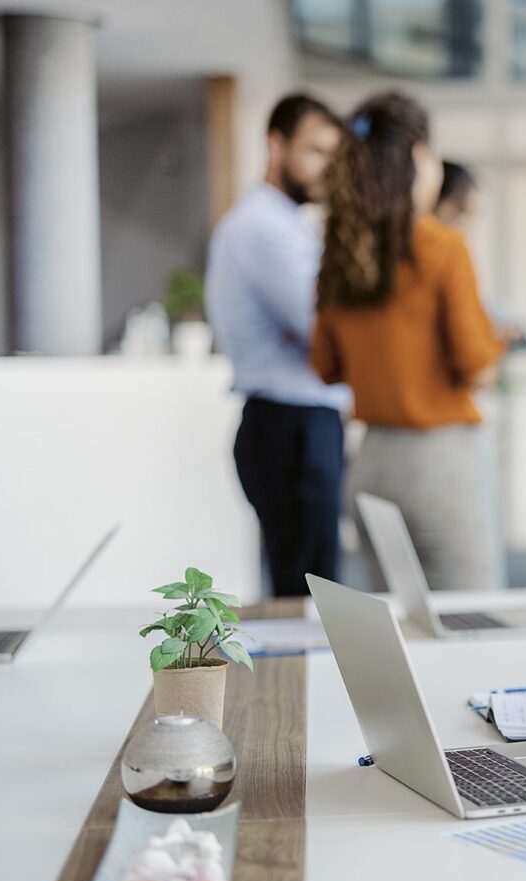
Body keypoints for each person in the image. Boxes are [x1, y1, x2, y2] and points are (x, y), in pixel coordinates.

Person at [311, 92, 508, 590]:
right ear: (419, 156)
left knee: (393, 628)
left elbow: (325, 366)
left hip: (372, 462)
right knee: (471, 621)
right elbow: (477, 368)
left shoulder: (340, 249)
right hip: (438, 465)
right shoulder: (442, 246)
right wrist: (496, 341)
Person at [206, 93, 348, 597]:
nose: (327, 168)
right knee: (311, 597)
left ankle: (311, 678)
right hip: (291, 429)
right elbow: (327, 328)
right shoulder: (264, 227)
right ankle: (311, 680)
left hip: (293, 426)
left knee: (306, 590)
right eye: (316, 151)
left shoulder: (283, 223)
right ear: (276, 145)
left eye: (335, 156)